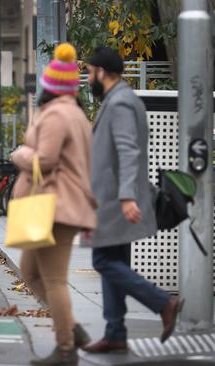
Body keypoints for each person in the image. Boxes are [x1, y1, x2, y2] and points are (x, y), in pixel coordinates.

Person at [82, 47, 182, 353]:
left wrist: (126, 197)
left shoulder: (121, 102)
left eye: (88, 72)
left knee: (103, 261)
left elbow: (128, 151)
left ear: (101, 71)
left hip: (115, 201)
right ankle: (115, 333)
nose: (87, 79)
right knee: (114, 262)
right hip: (113, 199)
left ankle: (163, 303)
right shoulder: (119, 100)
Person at [11, 43, 97, 366]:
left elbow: (44, 160)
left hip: (54, 207)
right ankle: (72, 328)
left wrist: (19, 153)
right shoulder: (74, 113)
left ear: (49, 86)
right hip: (52, 205)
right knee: (30, 272)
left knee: (54, 280)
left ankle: (66, 348)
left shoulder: (58, 115)